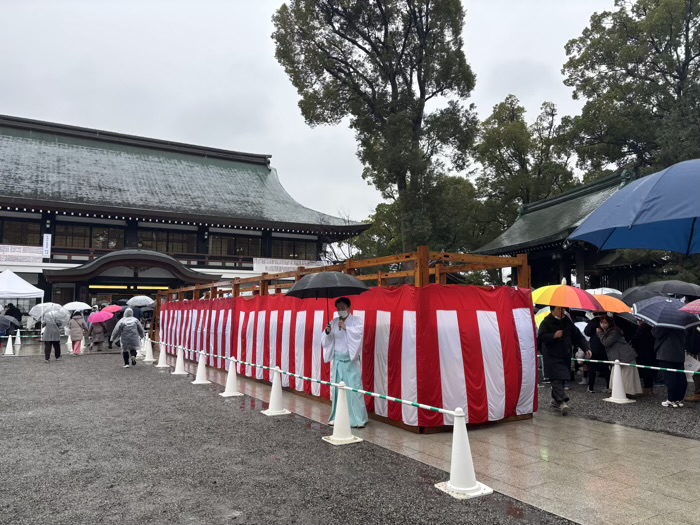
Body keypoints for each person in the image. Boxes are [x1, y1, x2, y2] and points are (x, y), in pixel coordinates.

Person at [321, 297, 368, 428]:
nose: (340, 311)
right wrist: (327, 332)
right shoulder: (334, 322)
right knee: (338, 390)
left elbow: (358, 335)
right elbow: (326, 341)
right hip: (338, 360)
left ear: (349, 308)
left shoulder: (356, 321)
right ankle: (338, 416)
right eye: (338, 308)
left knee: (354, 390)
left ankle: (358, 419)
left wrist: (347, 328)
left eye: (343, 308)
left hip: (350, 361)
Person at [538, 306, 591, 415]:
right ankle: (562, 402)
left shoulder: (567, 321)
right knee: (556, 378)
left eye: (563, 309)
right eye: (559, 309)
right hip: (551, 356)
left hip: (565, 355)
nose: (562, 312)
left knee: (562, 379)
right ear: (552, 311)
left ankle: (555, 400)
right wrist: (553, 335)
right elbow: (541, 337)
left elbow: (577, 336)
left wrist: (586, 348)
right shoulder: (546, 322)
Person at [598, 316, 642, 397]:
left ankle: (628, 392)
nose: (602, 325)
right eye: (601, 323)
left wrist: (600, 334)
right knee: (619, 375)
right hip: (619, 357)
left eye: (605, 323)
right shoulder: (609, 331)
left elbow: (606, 342)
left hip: (625, 356)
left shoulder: (614, 331)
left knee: (626, 375)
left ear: (609, 323)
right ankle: (620, 391)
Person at [652, 325, 687, 408]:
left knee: (670, 378)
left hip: (666, 353)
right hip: (679, 353)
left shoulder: (664, 324)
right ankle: (678, 399)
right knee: (680, 377)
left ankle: (671, 399)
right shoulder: (682, 325)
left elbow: (656, 334)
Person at [584, 314, 611, 393]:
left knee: (592, 368)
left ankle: (591, 387)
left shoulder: (594, 321)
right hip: (606, 349)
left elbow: (587, 332)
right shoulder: (610, 320)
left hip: (595, 347)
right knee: (606, 368)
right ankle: (608, 386)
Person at [630, 320, 657, 396]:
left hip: (642, 352)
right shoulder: (652, 327)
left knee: (645, 371)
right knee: (650, 370)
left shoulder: (641, 328)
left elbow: (635, 340)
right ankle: (650, 389)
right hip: (652, 352)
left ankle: (647, 389)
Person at [685, 326, 700, 402]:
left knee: (696, 370)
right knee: (696, 370)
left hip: (696, 347)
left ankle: (698, 393)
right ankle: (697, 393)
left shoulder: (695, 318)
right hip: (695, 348)